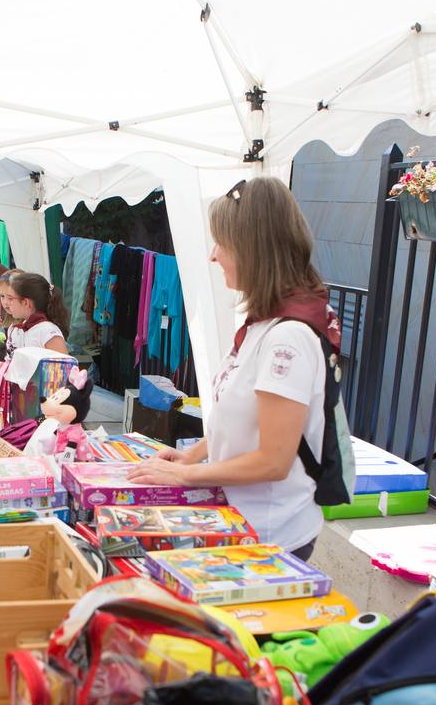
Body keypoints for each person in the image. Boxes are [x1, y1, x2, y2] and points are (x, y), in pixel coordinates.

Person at [128, 177, 337, 560]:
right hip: (241, 523)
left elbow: (274, 460)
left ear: (250, 250)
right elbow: (244, 421)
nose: (212, 256)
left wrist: (186, 475)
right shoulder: (263, 324)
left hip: (270, 537)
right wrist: (194, 455)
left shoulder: (286, 338)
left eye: (221, 243)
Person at [0, 270, 70, 354]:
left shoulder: (47, 331)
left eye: (10, 298)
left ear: (26, 303)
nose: (6, 303)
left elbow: (63, 365)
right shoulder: (15, 329)